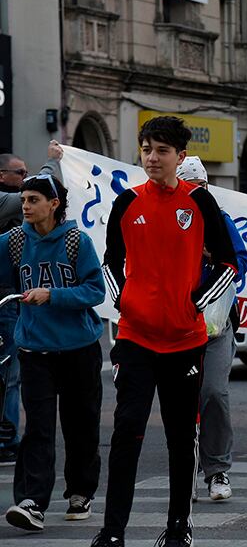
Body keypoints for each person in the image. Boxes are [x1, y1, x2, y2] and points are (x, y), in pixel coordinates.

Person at [93, 116, 239, 547]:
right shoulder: (126, 202)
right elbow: (110, 262)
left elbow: (229, 264)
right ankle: (112, 531)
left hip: (184, 340)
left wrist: (194, 302)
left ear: (180, 156)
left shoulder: (199, 202)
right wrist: (124, 301)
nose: (152, 158)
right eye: (146, 150)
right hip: (135, 338)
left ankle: (178, 528)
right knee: (126, 432)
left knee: (181, 436)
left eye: (161, 151)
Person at [2, 174, 105, 531]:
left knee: (81, 425)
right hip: (34, 350)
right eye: (24, 200)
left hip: (79, 349)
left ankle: (80, 491)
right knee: (39, 429)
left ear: (53, 203)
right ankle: (31, 502)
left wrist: (54, 295)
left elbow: (96, 291)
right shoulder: (15, 241)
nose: (26, 206)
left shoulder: (77, 241)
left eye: (33, 200)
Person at [175, 157, 247, 502]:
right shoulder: (167, 220)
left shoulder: (219, 220)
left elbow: (240, 261)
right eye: (188, 186)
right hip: (175, 325)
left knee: (214, 394)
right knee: (180, 401)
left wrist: (210, 257)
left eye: (200, 187)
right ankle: (184, 471)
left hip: (215, 326)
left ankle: (217, 470)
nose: (195, 193)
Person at [0, 141, 64, 467]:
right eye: (20, 174)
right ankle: (6, 439)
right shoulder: (7, 203)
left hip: (11, 297)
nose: (26, 178)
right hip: (6, 300)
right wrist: (52, 162)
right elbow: (40, 187)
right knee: (10, 372)